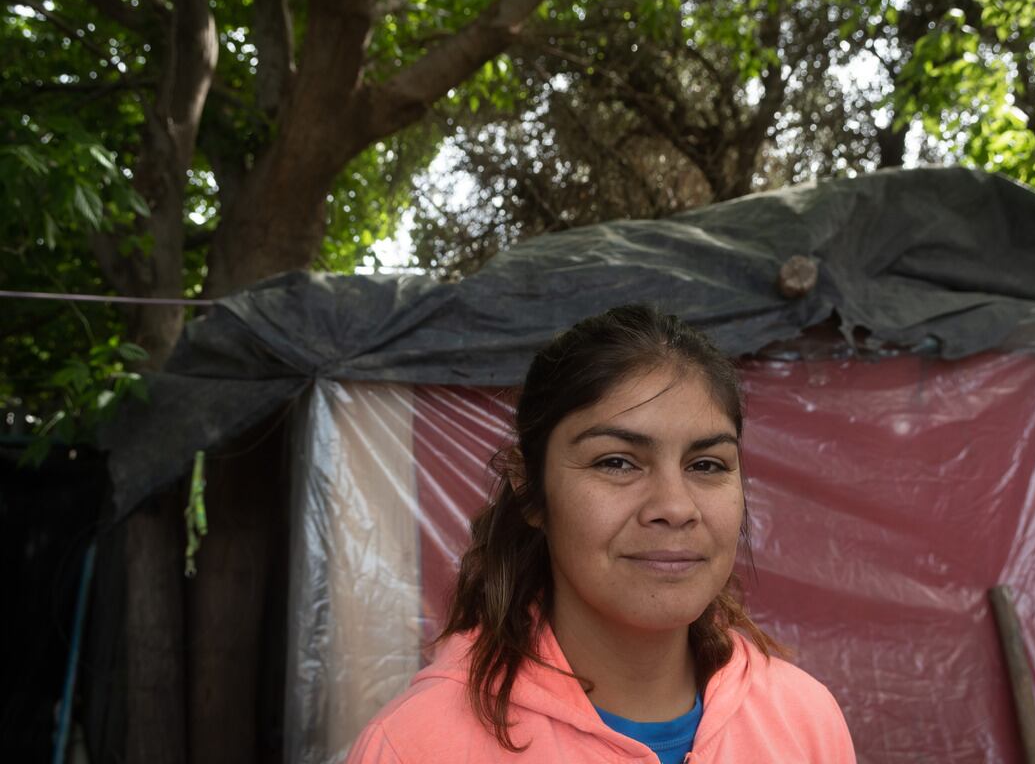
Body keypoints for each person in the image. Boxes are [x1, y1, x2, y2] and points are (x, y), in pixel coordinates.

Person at [347, 305, 855, 763]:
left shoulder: (806, 720)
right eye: (616, 462)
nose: (675, 508)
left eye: (706, 464)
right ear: (530, 491)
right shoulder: (414, 745)